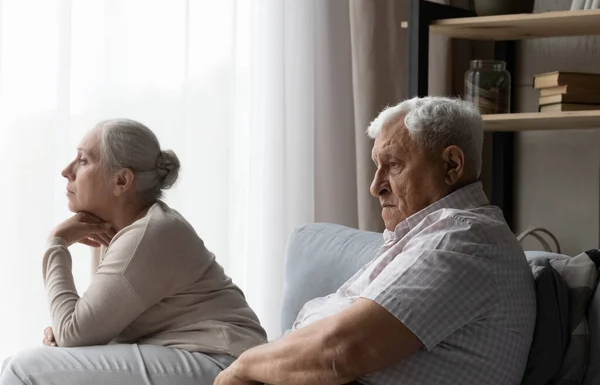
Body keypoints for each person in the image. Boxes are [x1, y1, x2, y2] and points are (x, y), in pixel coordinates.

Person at [214, 96, 537, 385]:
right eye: (376, 166)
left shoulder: (462, 241)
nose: (375, 186)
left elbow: (339, 351)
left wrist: (242, 367)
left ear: (451, 166)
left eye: (393, 165)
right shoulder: (424, 237)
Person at [0, 119, 267, 385]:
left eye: (82, 160)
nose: (66, 171)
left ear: (121, 180)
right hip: (193, 354)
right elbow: (88, 331)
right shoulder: (128, 231)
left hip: (222, 363)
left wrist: (56, 243)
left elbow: (73, 333)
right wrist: (67, 331)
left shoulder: (151, 233)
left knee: (24, 370)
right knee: (10, 365)